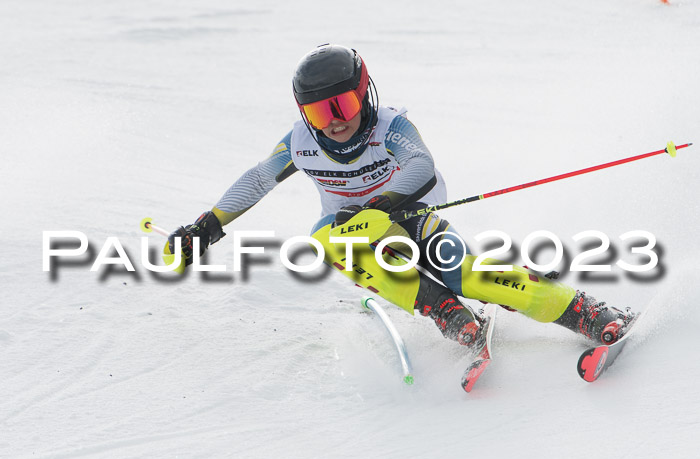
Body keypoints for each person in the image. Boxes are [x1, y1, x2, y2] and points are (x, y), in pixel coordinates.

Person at [168, 43, 635, 348]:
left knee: (473, 277)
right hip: (354, 235)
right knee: (327, 239)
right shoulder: (300, 143)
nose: (333, 120)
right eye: (317, 111)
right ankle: (443, 309)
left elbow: (421, 166)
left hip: (414, 219)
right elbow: (257, 179)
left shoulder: (391, 127)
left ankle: (582, 311)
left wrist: (385, 202)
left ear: (362, 93)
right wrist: (207, 226)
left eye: (343, 105)